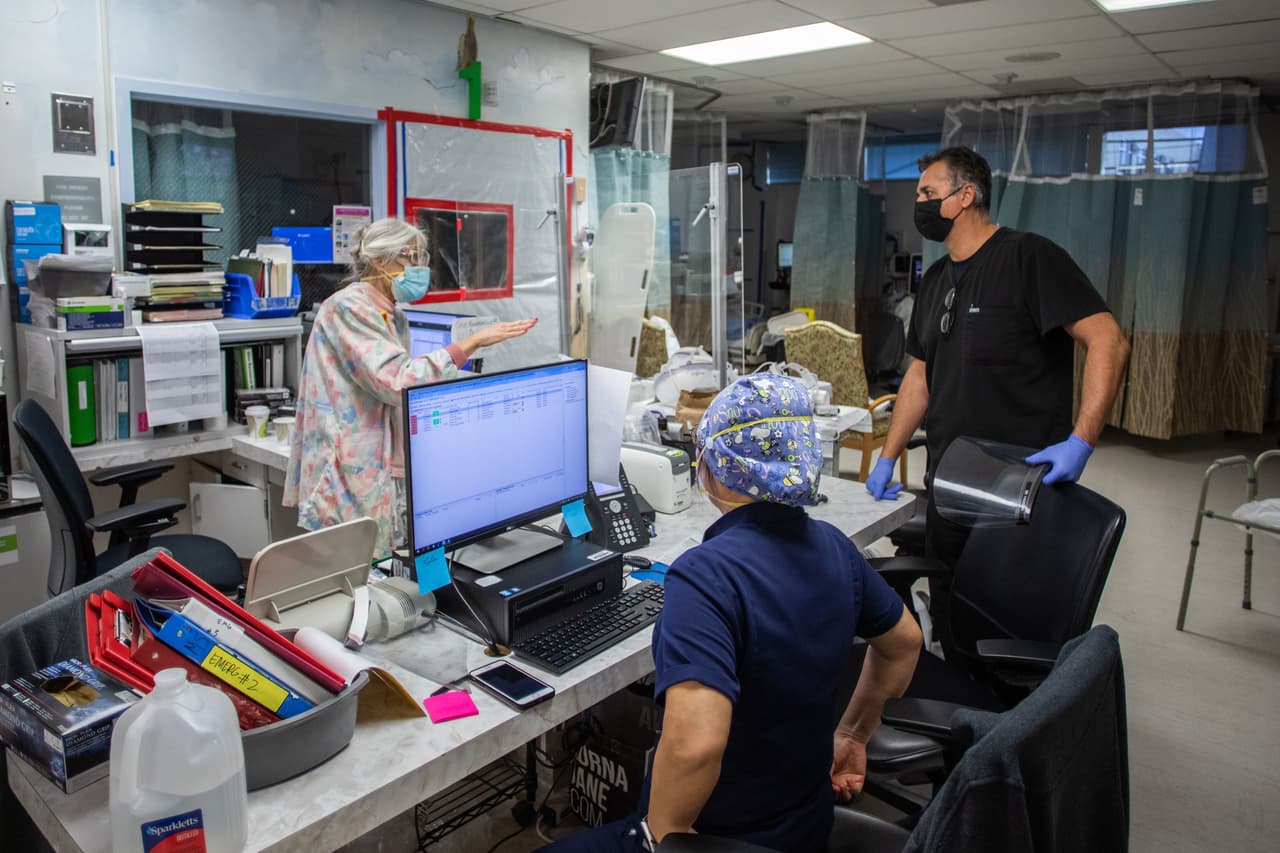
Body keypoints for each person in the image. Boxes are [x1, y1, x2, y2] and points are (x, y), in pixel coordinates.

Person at [542, 374, 922, 853]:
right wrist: (851, 734)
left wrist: (658, 841)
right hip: (807, 827)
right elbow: (904, 643)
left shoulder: (704, 576)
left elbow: (696, 746)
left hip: (724, 838)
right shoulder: (835, 549)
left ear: (716, 470)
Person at [865, 146, 1130, 569]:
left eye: (927, 193)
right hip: (948, 478)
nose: (919, 205)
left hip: (1017, 483)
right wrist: (888, 457)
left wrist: (1081, 442)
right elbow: (919, 375)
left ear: (965, 196)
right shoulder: (934, 281)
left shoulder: (1029, 258)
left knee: (1006, 609)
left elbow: (1108, 340)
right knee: (949, 597)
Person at [283, 217, 535, 555]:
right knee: (357, 572)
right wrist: (469, 345)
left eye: (422, 258)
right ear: (378, 260)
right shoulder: (348, 308)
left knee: (384, 563)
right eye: (410, 257)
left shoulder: (393, 314)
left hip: (376, 457)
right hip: (348, 461)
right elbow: (397, 380)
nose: (419, 267)